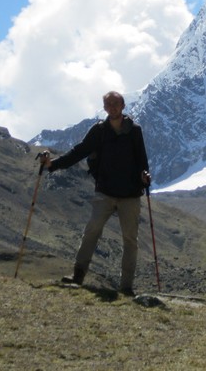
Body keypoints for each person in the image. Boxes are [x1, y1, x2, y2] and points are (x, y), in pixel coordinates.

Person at [41, 91, 151, 295]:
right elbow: (79, 151)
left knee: (129, 239)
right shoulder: (99, 131)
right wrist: (52, 165)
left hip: (130, 194)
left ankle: (126, 287)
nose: (112, 107)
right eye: (108, 104)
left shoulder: (135, 130)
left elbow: (142, 159)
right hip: (105, 192)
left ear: (123, 105)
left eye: (116, 103)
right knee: (92, 231)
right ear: (104, 107)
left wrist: (144, 174)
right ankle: (78, 276)